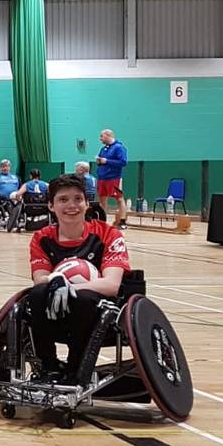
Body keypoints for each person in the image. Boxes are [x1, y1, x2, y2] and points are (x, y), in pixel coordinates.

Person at [26, 173, 130, 380]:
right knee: (36, 294)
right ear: (51, 206)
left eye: (77, 199)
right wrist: (56, 281)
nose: (71, 205)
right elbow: (40, 279)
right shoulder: (41, 237)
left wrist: (70, 288)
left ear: (86, 203)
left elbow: (111, 285)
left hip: (97, 307)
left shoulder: (109, 234)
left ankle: (76, 370)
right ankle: (48, 366)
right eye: (63, 200)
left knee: (84, 299)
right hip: (55, 309)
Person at [94, 128, 129, 227]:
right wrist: (99, 161)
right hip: (102, 178)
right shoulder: (104, 148)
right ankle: (102, 221)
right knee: (102, 200)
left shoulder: (119, 147)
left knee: (119, 199)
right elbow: (102, 160)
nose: (100, 139)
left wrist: (107, 161)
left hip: (114, 178)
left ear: (108, 135)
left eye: (102, 136)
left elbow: (123, 162)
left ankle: (122, 221)